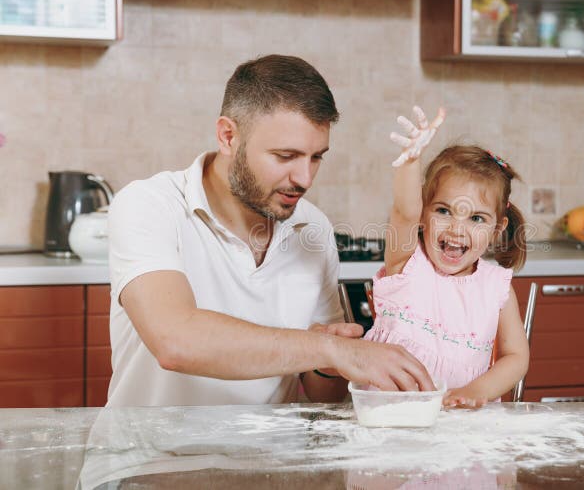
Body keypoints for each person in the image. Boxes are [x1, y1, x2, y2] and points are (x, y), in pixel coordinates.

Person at [106, 55, 434, 407]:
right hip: (150, 459)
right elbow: (175, 340)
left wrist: (330, 362)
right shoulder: (149, 205)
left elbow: (324, 394)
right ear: (228, 136)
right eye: (285, 156)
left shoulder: (313, 226)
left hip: (265, 458)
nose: (304, 179)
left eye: (316, 157)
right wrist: (330, 349)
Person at [364, 106, 530, 408]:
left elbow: (516, 357)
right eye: (443, 211)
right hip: (388, 423)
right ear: (423, 212)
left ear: (497, 228)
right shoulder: (406, 264)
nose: (457, 229)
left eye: (476, 219)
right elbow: (403, 211)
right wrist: (410, 160)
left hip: (460, 428)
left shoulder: (497, 287)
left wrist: (477, 391)